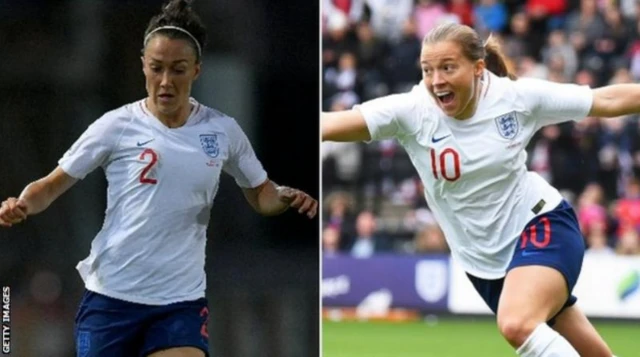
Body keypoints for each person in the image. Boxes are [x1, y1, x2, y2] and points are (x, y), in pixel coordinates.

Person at [0, 1, 318, 356]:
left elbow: (261, 194)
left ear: (196, 70)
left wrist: (283, 196)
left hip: (178, 303)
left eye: (178, 69)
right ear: (144, 68)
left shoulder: (222, 131)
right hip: (112, 298)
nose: (166, 81)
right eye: (157, 68)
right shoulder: (116, 126)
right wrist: (23, 203)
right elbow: (51, 185)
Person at [322, 22, 626, 357]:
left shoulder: (515, 98)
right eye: (427, 69)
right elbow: (332, 123)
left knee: (517, 324)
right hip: (482, 262)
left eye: (448, 67)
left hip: (540, 223)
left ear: (478, 68)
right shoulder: (412, 110)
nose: (436, 80)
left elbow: (606, 99)